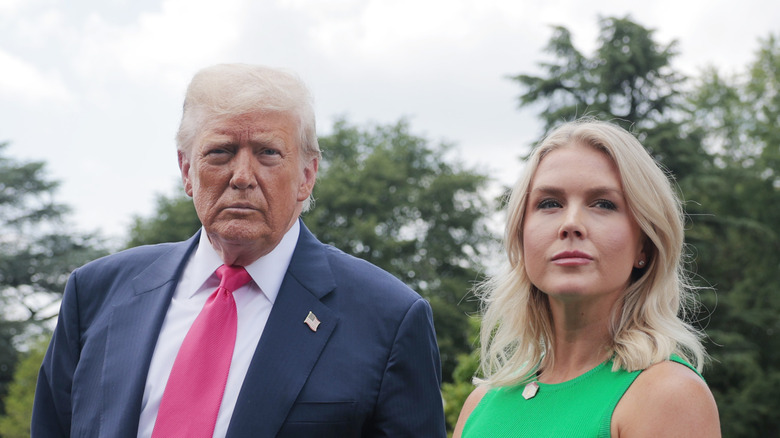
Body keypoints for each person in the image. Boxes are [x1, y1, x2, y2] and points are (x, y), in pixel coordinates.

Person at [32, 63, 446, 438]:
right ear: (187, 171)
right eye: (220, 152)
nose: (242, 177)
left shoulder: (389, 319)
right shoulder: (96, 294)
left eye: (268, 153)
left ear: (306, 175)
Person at [453, 119, 721, 437]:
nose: (571, 223)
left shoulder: (667, 393)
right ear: (521, 236)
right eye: (549, 203)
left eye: (603, 204)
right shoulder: (480, 404)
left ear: (645, 246)